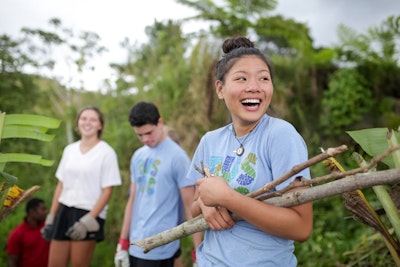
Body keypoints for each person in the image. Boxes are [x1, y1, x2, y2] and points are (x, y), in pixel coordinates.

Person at [187, 36, 313, 266]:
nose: (254, 87)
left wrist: (228, 198)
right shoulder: (210, 141)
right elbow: (194, 206)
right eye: (241, 78)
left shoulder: (281, 136)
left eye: (263, 78)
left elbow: (301, 226)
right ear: (220, 89)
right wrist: (205, 203)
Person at [114, 101, 202, 267]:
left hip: (161, 246)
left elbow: (191, 207)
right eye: (139, 135)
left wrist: (198, 253)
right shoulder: (138, 156)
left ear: (160, 123)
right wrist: (122, 243)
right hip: (136, 244)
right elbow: (132, 201)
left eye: (149, 133)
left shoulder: (178, 157)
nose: (145, 139)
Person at [41, 106, 122, 267]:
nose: (87, 122)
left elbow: (107, 191)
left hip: (88, 214)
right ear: (77, 123)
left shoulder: (106, 153)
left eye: (93, 119)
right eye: (84, 118)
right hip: (64, 210)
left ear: (100, 125)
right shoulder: (70, 150)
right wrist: (51, 216)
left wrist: (89, 220)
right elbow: (61, 185)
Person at [6, 197, 50, 267]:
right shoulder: (17, 234)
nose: (46, 212)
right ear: (32, 212)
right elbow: (12, 261)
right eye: (43, 209)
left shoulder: (48, 228)